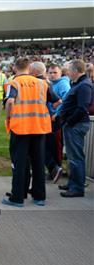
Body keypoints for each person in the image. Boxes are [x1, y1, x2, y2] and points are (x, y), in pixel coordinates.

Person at [2, 58, 53, 207]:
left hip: (21, 128)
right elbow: (56, 101)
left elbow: (10, 101)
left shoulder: (14, 83)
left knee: (19, 163)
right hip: (39, 127)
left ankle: (17, 198)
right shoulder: (43, 83)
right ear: (29, 67)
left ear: (14, 68)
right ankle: (39, 197)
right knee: (38, 162)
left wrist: (9, 117)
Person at [58, 59, 93, 197]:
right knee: (73, 157)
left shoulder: (84, 85)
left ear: (75, 71)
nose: (68, 73)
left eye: (69, 70)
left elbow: (82, 107)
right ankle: (73, 184)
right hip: (74, 124)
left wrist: (69, 122)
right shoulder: (79, 84)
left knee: (76, 157)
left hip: (76, 125)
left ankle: (77, 188)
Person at [46, 64, 71, 182]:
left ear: (60, 73)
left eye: (55, 72)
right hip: (50, 118)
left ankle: (57, 170)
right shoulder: (51, 84)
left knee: (55, 145)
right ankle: (53, 171)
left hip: (56, 119)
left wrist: (57, 113)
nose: (52, 75)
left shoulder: (63, 84)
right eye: (50, 72)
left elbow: (66, 100)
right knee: (50, 145)